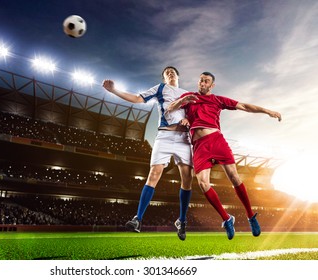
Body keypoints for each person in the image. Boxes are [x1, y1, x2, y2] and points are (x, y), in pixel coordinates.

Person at [168, 72, 282, 240]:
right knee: (202, 183)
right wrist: (182, 101)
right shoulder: (188, 97)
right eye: (201, 80)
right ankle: (227, 219)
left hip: (216, 140)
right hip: (199, 146)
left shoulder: (217, 100)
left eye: (206, 81)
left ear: (212, 85)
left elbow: (243, 106)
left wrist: (267, 111)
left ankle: (251, 216)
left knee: (234, 177)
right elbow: (170, 108)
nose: (203, 82)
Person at [102, 66, 197, 241]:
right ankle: (138, 219)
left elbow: (197, 115)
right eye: (166, 72)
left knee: (187, 179)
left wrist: (189, 119)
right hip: (164, 136)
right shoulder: (160, 88)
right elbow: (137, 99)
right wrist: (113, 90)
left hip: (184, 138)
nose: (169, 72)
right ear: (164, 77)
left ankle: (182, 221)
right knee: (153, 174)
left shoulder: (187, 93)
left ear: (178, 75)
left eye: (172, 71)